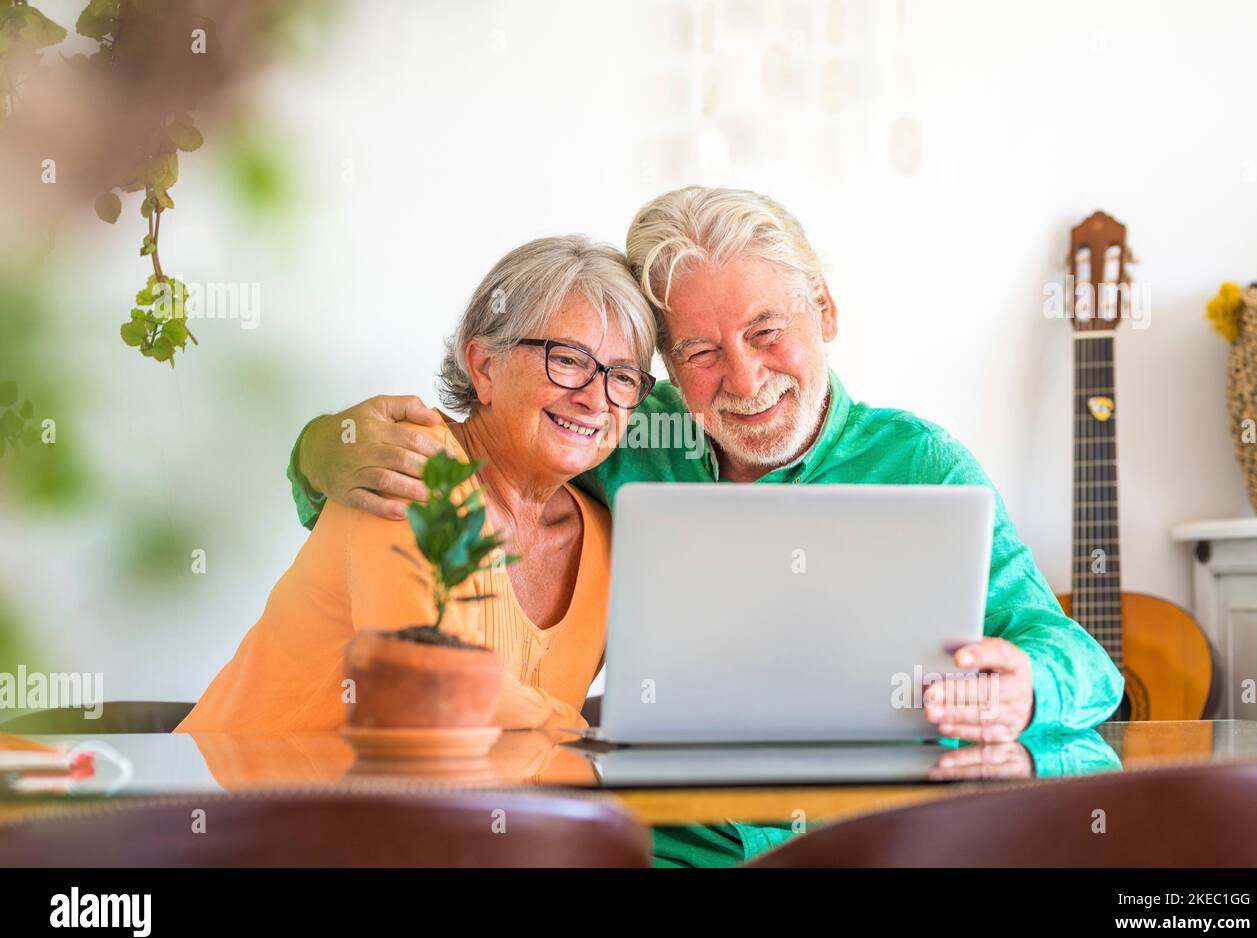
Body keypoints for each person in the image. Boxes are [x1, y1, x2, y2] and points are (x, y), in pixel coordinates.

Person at [283, 186, 1126, 864]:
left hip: (865, 841)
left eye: (768, 331)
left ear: (825, 313)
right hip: (661, 846)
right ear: (665, 368)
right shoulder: (619, 423)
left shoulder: (926, 464)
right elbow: (470, 452)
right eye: (700, 353)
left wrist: (1027, 686)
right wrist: (320, 449)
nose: (745, 377)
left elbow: (1085, 664)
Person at [175, 236, 658, 735]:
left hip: (431, 812)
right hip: (236, 801)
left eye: (622, 377)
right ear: (484, 365)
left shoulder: (604, 540)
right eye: (568, 360)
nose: (595, 398)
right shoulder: (407, 464)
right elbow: (430, 689)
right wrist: (586, 736)